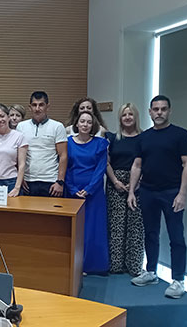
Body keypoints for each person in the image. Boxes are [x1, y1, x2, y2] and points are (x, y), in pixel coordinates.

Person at [128, 95, 187, 299]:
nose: (159, 113)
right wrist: (131, 191)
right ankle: (151, 272)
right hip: (148, 191)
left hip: (172, 192)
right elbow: (137, 165)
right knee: (150, 233)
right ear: (150, 112)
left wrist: (182, 193)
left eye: (163, 109)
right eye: (155, 109)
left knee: (176, 237)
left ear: (169, 111)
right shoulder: (144, 137)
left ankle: (178, 280)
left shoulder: (181, 135)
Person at [65, 111, 109, 274]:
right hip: (72, 191)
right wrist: (72, 189)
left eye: (89, 122)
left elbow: (101, 168)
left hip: (93, 193)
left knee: (92, 229)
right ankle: (74, 264)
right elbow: (65, 167)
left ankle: (91, 265)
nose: (85, 125)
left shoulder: (100, 143)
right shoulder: (68, 142)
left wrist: (89, 189)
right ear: (76, 124)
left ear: (93, 125)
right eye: (82, 121)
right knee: (74, 229)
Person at [105, 103, 144, 276]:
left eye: (130, 114)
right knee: (116, 225)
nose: (127, 117)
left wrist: (137, 183)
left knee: (136, 226)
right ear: (120, 118)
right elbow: (106, 162)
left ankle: (134, 266)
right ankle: (115, 264)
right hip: (116, 184)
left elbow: (146, 162)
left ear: (136, 116)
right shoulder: (113, 138)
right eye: (124, 115)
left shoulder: (144, 138)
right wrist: (115, 181)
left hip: (138, 185)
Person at [16, 91, 67, 197]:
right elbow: (18, 154)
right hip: (28, 181)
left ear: (47, 107)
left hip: (50, 181)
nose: (37, 108)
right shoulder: (21, 126)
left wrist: (60, 182)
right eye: (34, 105)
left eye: (41, 105)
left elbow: (63, 155)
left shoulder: (57, 126)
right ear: (30, 107)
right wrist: (20, 178)